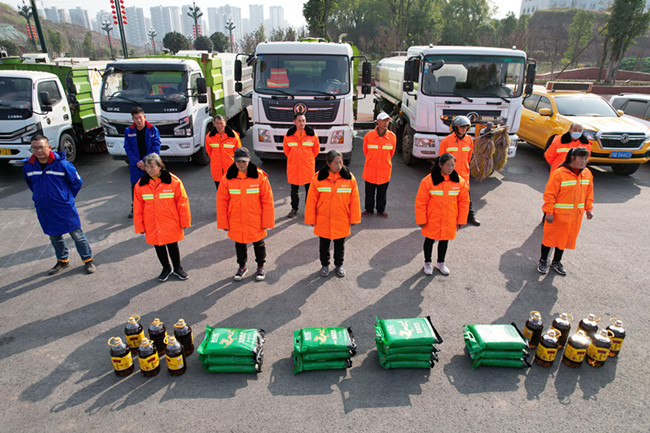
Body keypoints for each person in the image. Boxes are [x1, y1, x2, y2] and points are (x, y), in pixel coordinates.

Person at [23, 135, 96, 275]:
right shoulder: (28, 166)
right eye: (35, 147)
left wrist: (66, 198)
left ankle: (88, 260)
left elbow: (76, 183)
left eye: (42, 147)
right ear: (31, 149)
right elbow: (32, 185)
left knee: (77, 234)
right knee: (54, 236)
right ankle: (62, 261)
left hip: (64, 207)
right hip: (44, 208)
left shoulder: (62, 164)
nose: (38, 150)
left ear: (49, 147)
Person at [217, 147, 275, 281]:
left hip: (255, 219)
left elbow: (267, 201)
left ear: (249, 160)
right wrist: (223, 222)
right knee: (239, 244)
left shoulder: (260, 177)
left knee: (258, 244)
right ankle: (242, 267)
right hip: (236, 219)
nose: (241, 164)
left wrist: (267, 221)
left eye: (243, 161)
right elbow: (222, 202)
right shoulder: (227, 178)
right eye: (238, 162)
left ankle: (260, 266)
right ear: (234, 161)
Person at [133, 154, 191, 282]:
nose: (149, 169)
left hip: (170, 221)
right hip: (151, 223)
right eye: (147, 167)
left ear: (160, 166)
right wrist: (139, 226)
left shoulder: (173, 181)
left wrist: (185, 221)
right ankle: (166, 268)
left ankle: (177, 268)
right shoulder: (140, 185)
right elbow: (138, 208)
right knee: (158, 246)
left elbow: (182, 202)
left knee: (172, 245)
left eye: (152, 166)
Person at [537, 147, 593, 276]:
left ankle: (557, 262)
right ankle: (543, 260)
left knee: (564, 239)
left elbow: (589, 193)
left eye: (586, 158)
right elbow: (550, 194)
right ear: (572, 158)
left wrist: (589, 209)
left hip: (574, 217)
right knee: (549, 239)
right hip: (557, 216)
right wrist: (549, 212)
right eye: (581, 158)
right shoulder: (560, 173)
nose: (584, 161)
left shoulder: (587, 174)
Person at [305, 150, 361, 278]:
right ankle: (324, 265)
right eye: (336, 163)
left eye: (341, 162)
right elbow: (311, 201)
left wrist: (354, 218)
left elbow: (355, 200)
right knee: (324, 246)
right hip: (323, 219)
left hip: (342, 218)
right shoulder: (318, 178)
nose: (339, 166)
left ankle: (339, 265)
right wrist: (310, 219)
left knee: (339, 245)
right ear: (328, 163)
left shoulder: (349, 178)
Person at [414, 153, 470, 276]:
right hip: (432, 219)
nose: (451, 168)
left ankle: (440, 263)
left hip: (449, 219)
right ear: (440, 165)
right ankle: (427, 262)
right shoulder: (428, 181)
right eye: (448, 165)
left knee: (444, 241)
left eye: (453, 165)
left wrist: (461, 220)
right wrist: (421, 219)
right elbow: (420, 202)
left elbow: (464, 202)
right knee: (429, 240)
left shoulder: (459, 182)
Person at [438, 115, 480, 226]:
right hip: (451, 176)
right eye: (461, 127)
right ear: (455, 128)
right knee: (448, 200)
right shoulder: (446, 141)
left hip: (464, 176)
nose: (463, 129)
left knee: (466, 200)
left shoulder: (469, 140)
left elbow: (469, 157)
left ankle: (469, 217)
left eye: (466, 127)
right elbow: (441, 160)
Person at [124, 106, 161, 218]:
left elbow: (156, 147)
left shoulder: (153, 130)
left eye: (140, 117)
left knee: (153, 186)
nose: (139, 120)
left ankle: (155, 208)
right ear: (133, 119)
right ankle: (135, 208)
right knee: (136, 187)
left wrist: (145, 161)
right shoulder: (129, 131)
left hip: (150, 164)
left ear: (144, 117)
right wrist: (137, 162)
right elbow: (128, 148)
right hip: (136, 166)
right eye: (136, 118)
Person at [283, 113, 320, 218]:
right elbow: (286, 150)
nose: (302, 123)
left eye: (303, 120)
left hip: (307, 167)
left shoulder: (313, 135)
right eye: (299, 121)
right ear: (294, 122)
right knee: (294, 191)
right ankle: (294, 208)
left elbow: (316, 151)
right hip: (294, 167)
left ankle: (309, 210)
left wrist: (307, 159)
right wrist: (293, 159)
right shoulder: (288, 136)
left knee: (309, 191)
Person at [361, 112, 396, 218]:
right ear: (378, 121)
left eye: (387, 121)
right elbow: (365, 151)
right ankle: (369, 209)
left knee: (382, 193)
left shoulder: (392, 137)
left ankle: (381, 210)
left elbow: (391, 152)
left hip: (384, 170)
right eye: (384, 120)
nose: (386, 123)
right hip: (370, 170)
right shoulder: (369, 136)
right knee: (369, 192)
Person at [206, 114, 241, 191]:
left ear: (225, 123)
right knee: (220, 194)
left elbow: (239, 154)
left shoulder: (234, 136)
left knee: (232, 193)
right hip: (216, 171)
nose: (219, 126)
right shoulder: (209, 137)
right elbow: (209, 152)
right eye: (217, 123)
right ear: (214, 124)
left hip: (231, 170)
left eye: (221, 123)